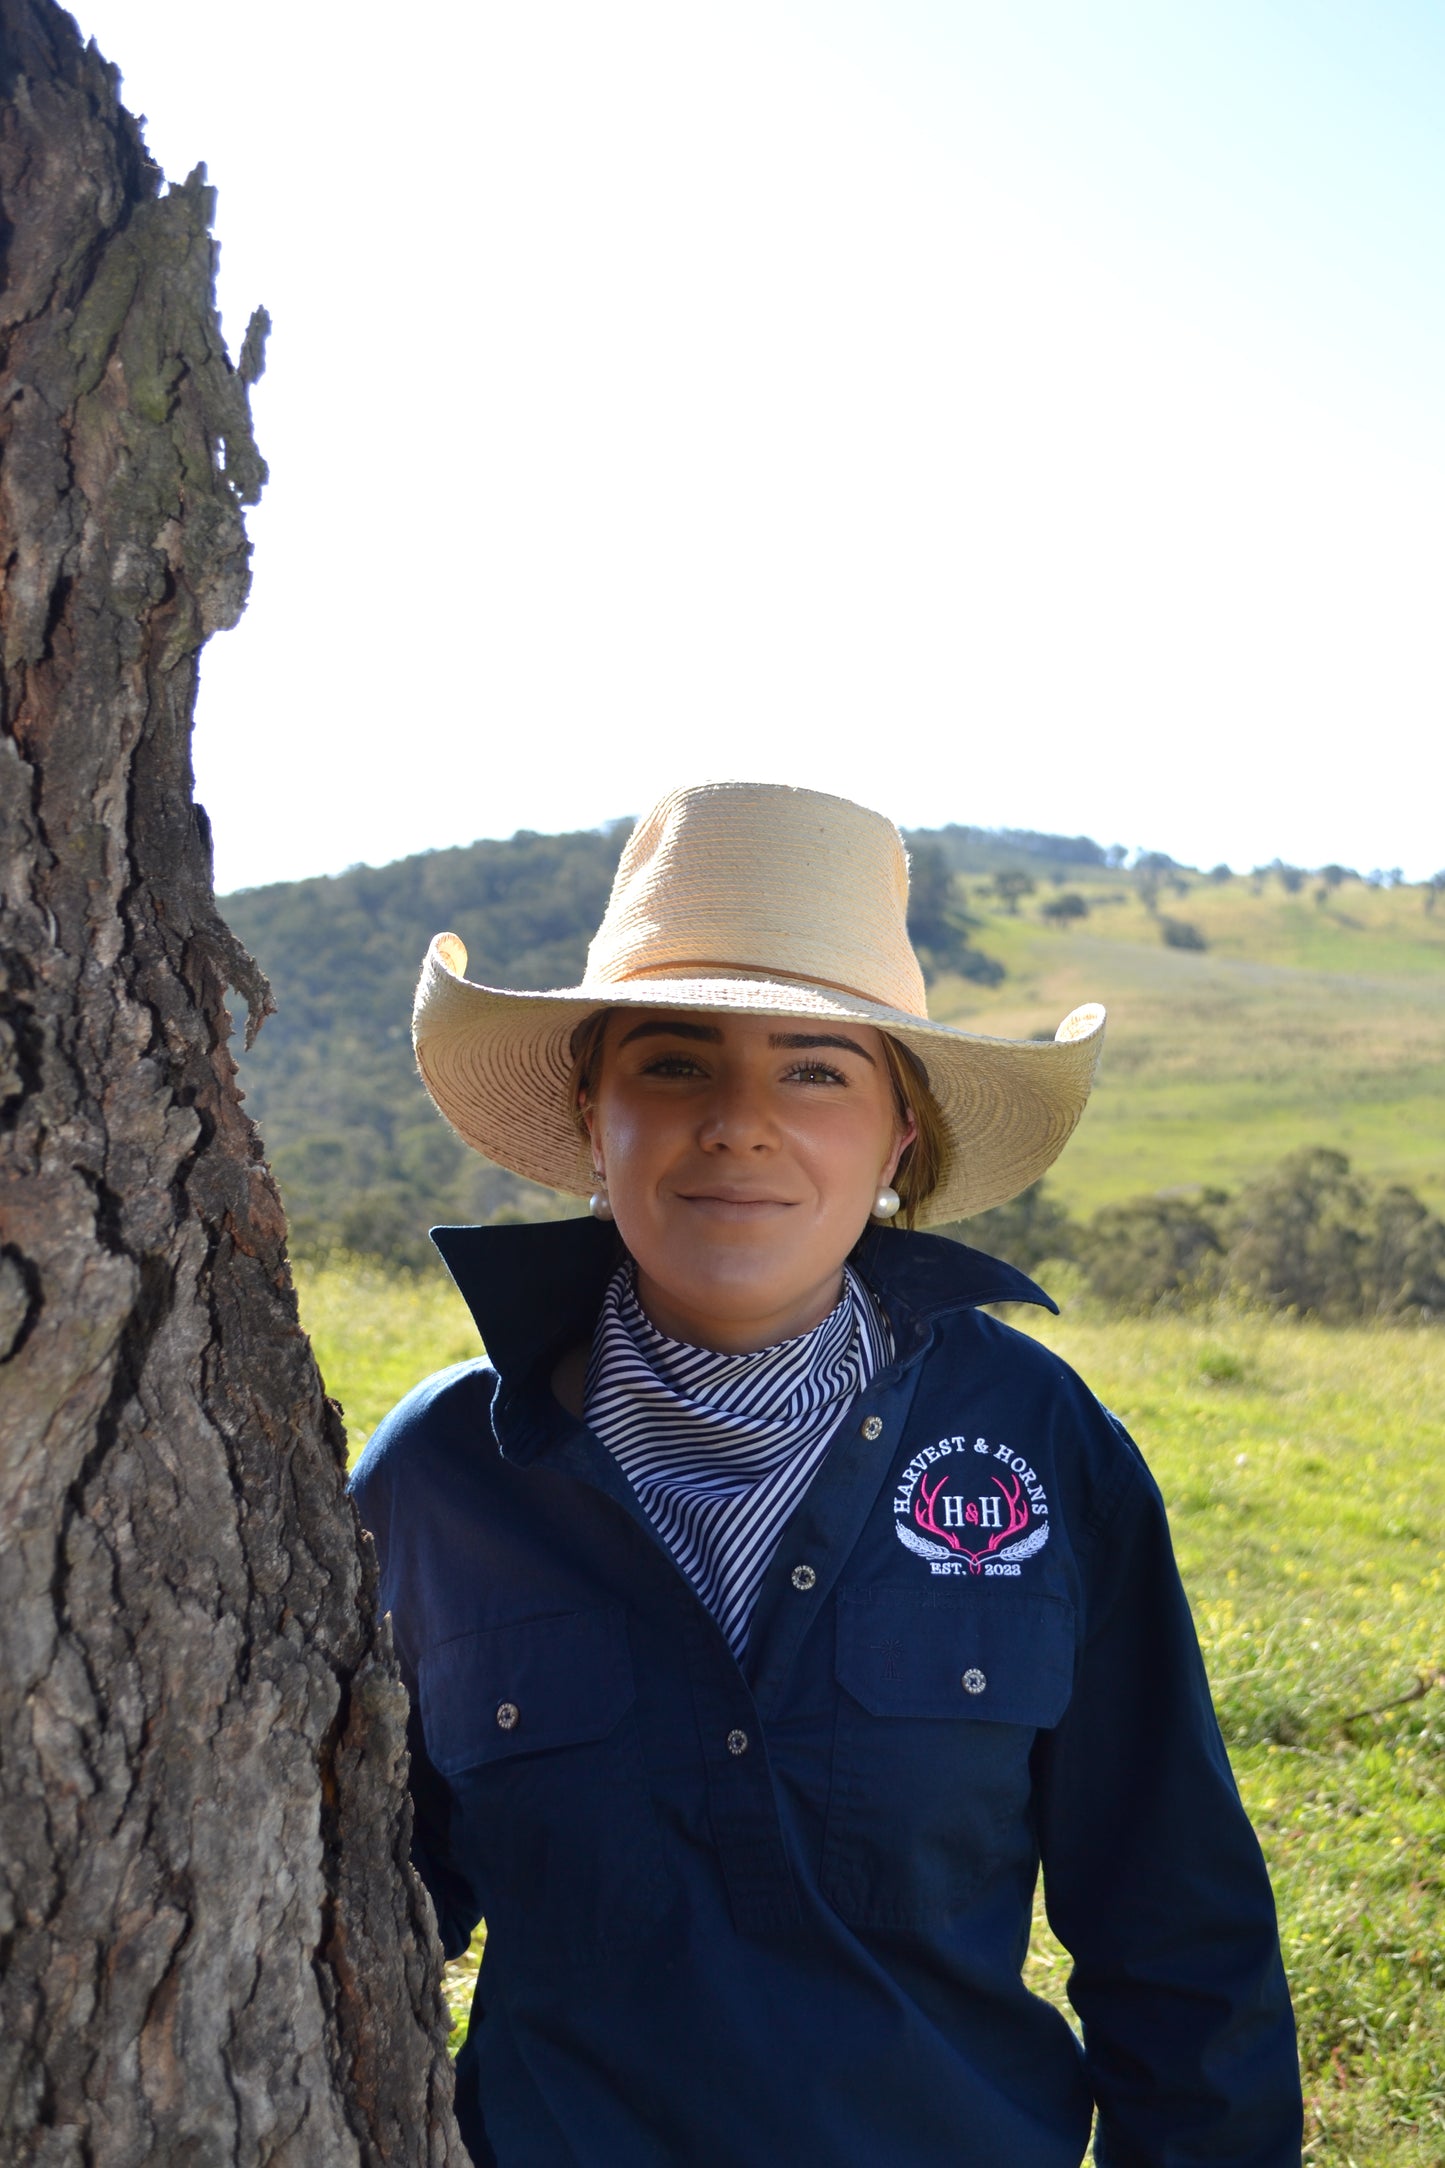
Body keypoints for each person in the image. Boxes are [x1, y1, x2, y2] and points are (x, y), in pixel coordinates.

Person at [350, 781, 1302, 2168]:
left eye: (814, 1070)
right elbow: (344, 1915)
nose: (739, 1122)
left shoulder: (1039, 1442)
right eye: (674, 1064)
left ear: (899, 1135)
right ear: (589, 1109)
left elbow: (1177, 1922)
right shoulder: (441, 1472)